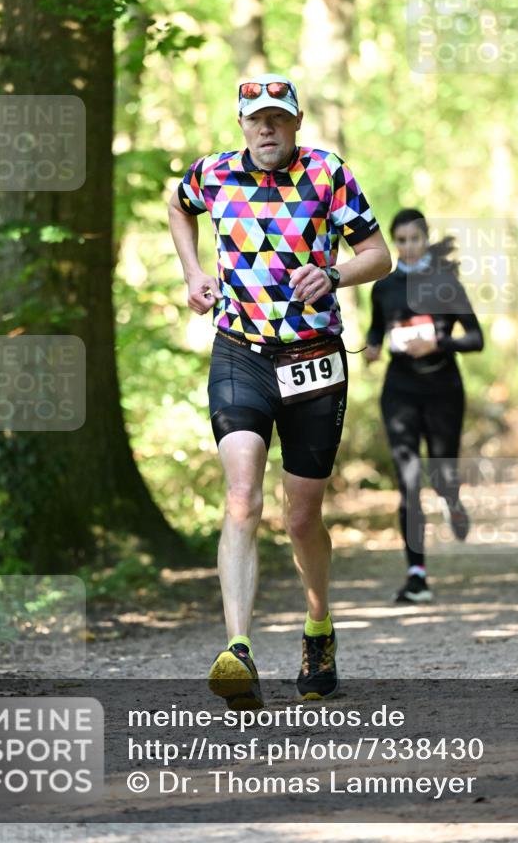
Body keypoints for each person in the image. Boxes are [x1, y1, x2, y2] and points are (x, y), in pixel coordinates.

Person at [168, 73, 391, 707]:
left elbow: (379, 255)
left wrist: (334, 272)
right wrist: (191, 273)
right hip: (240, 353)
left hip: (314, 360)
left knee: (301, 518)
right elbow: (177, 205)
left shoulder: (326, 173)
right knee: (242, 498)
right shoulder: (213, 174)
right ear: (242, 125)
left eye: (277, 118)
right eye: (255, 119)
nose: (266, 128)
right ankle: (237, 650)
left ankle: (318, 626)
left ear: (295, 122)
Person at [364, 208, 484, 604]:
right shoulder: (383, 286)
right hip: (399, 390)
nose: (408, 247)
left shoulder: (445, 282)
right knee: (410, 483)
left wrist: (438, 343)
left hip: (443, 388)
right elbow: (375, 329)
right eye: (401, 240)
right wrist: (373, 347)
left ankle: (452, 500)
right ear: (394, 243)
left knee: (441, 471)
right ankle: (417, 575)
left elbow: (476, 338)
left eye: (415, 239)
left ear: (425, 239)